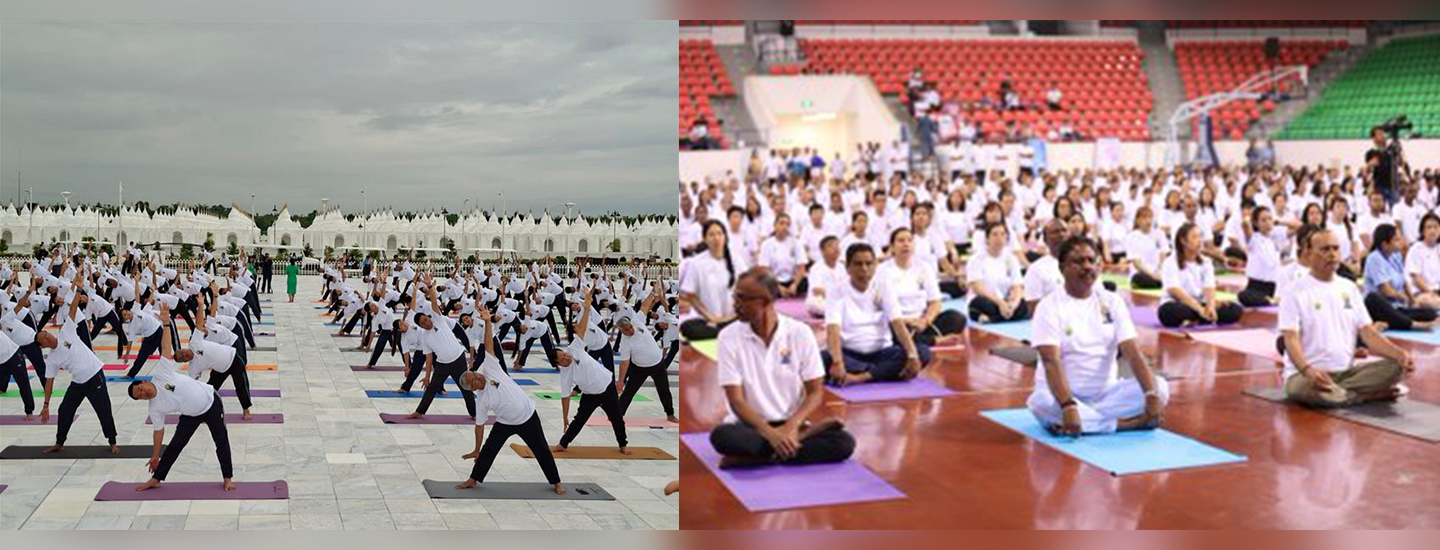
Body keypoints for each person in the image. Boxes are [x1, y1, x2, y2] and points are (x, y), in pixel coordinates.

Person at [710, 267, 855, 468]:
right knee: (722, 437)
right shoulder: (728, 337)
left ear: (766, 301)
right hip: (751, 426)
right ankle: (802, 440)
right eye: (735, 296)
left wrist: (791, 427)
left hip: (790, 423)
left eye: (742, 298)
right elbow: (736, 400)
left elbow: (815, 392)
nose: (735, 304)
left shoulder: (800, 333)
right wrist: (771, 434)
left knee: (844, 443)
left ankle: (762, 457)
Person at [1029, 236, 1169, 435]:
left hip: (1106, 395)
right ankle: (1126, 425)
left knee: (1160, 388)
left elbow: (1133, 353)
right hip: (1061, 396)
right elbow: (1051, 361)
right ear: (1062, 268)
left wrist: (1151, 396)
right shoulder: (1048, 306)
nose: (1087, 267)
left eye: (1092, 261)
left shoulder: (1112, 302)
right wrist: (1068, 405)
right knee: (1040, 402)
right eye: (1079, 261)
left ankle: (1086, 421)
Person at [1280, 228, 1416, 407]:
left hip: (1348, 373)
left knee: (1397, 367)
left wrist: (1400, 355)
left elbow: (1367, 333)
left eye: (1336, 249)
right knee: (1301, 389)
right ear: (1309, 253)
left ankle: (1341, 393)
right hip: (1305, 376)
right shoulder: (1293, 291)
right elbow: (1291, 338)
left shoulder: (1349, 287)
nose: (1332, 254)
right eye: (1325, 249)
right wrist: (1307, 370)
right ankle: (1364, 396)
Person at [452, 309, 566, 495]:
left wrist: (488, 322)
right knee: (489, 451)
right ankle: (473, 479)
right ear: (473, 388)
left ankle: (556, 482)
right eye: (475, 380)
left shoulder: (489, 367)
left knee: (542, 450)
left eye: (475, 374)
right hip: (505, 422)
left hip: (528, 415)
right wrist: (476, 448)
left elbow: (488, 344)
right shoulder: (481, 400)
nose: (479, 377)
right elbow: (479, 426)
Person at [128, 303, 236, 492]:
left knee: (221, 441)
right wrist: (155, 456)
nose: (143, 394)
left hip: (211, 402)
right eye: (140, 397)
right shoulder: (155, 408)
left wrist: (167, 323)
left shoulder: (161, 373)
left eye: (140, 390)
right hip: (190, 415)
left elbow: (165, 348)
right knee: (175, 445)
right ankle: (157, 478)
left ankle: (227, 478)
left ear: (143, 383)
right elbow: (158, 432)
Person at [823, 243, 931, 386]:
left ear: (875, 266)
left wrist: (912, 355)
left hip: (882, 352)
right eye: (858, 264)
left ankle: (859, 377)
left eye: (869, 263)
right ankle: (882, 373)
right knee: (823, 358)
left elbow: (897, 322)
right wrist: (837, 361)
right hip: (849, 353)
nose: (864, 269)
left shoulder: (884, 286)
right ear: (847, 267)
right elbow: (833, 330)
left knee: (922, 352)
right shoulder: (836, 290)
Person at [38, 270, 120, 455]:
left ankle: (113, 441)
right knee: (64, 409)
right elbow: (49, 382)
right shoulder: (51, 359)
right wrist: (45, 404)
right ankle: (59, 442)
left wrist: (78, 288)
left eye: (46, 333)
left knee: (103, 409)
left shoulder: (67, 331)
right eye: (44, 338)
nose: (48, 335)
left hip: (94, 375)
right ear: (43, 346)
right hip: (78, 382)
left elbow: (73, 309)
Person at [550, 284, 629, 455]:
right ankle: (563, 444)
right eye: (562, 359)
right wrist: (564, 418)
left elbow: (583, 327)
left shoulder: (575, 347)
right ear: (558, 364)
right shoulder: (565, 374)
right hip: (590, 395)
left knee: (616, 418)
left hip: (606, 385)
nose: (566, 357)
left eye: (563, 354)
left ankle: (623, 444)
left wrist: (586, 308)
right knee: (579, 420)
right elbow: (565, 397)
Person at [405, 274, 477, 419]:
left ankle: (475, 414)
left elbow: (433, 301)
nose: (426, 323)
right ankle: (419, 412)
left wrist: (430, 286)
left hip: (458, 360)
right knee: (431, 388)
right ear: (420, 327)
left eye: (425, 319)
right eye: (422, 323)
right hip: (442, 365)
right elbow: (429, 358)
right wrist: (426, 376)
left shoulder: (438, 319)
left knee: (465, 388)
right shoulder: (425, 337)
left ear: (428, 317)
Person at [882, 227, 966, 346]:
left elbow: (935, 302)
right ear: (892, 247)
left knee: (957, 318)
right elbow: (881, 308)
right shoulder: (883, 271)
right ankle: (934, 340)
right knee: (891, 330)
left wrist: (925, 321)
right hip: (898, 322)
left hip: (922, 322)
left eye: (909, 240)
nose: (906, 244)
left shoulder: (924, 267)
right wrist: (905, 320)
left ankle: (919, 340)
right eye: (901, 241)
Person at [1158, 223, 1243, 328]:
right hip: (1178, 303)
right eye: (1194, 237)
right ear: (1183, 241)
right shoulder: (1170, 261)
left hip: (1201, 304)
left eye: (1200, 236)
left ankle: (1199, 318)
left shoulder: (1206, 262)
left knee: (1235, 309)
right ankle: (1201, 317)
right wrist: (1199, 309)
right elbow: (1175, 290)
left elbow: (1209, 287)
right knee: (1167, 312)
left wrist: (1211, 306)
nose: (1199, 241)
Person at [615, 288, 678, 422]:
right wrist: (620, 381)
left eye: (630, 327)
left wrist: (653, 293)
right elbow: (624, 363)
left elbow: (645, 305)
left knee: (664, 391)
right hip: (640, 369)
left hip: (658, 365)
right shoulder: (624, 343)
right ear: (621, 331)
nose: (630, 330)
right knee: (629, 392)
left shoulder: (637, 321)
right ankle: (618, 415)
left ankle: (670, 414)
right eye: (626, 330)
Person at [1362, 224, 1439, 331]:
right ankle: (1413, 324)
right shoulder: (1374, 258)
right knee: (1372, 298)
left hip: (1397, 307)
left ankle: (1395, 322)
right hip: (1381, 306)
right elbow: (1386, 290)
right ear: (1385, 244)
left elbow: (1404, 282)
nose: (1401, 242)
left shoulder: (1395, 255)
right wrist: (1402, 297)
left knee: (1429, 314)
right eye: (1396, 240)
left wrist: (1413, 301)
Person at [679, 220, 737, 341]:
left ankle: (723, 329)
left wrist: (733, 315)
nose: (716, 238)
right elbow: (691, 295)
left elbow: (745, 289)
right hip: (705, 320)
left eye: (720, 234)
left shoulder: (736, 260)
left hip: (732, 317)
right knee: (687, 328)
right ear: (705, 239)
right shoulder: (696, 263)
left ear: (725, 237)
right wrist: (710, 317)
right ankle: (724, 331)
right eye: (711, 235)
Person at [967, 223, 1030, 323]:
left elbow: (1018, 285)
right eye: (995, 234)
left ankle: (993, 318)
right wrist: (1000, 303)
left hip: (1006, 300)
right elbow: (978, 289)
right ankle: (1004, 316)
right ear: (987, 239)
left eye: (1002, 234)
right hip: (988, 300)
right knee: (980, 304)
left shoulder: (1011, 258)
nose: (999, 238)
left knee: (1025, 304)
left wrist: (1014, 304)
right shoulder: (977, 259)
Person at [1237, 206, 1284, 307]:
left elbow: (1299, 226)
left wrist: (1279, 221)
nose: (1268, 222)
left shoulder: (1274, 239)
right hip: (1254, 286)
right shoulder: (1254, 239)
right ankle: (1269, 301)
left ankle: (1270, 300)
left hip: (1272, 287)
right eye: (1263, 220)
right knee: (1242, 295)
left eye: (1270, 219)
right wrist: (1250, 217)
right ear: (1256, 223)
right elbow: (1245, 224)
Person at [1125, 206, 1167, 290]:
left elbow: (1164, 255)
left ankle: (1162, 283)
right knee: (1139, 279)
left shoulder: (1159, 234)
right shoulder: (1131, 237)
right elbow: (1137, 264)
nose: (1148, 221)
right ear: (1138, 220)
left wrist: (1159, 271)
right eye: (1144, 218)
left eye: (1150, 217)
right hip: (1143, 273)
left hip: (1158, 272)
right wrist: (1152, 275)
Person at [1405, 213, 1440, 310]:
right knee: (1431, 301)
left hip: (1438, 291)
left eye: (1436, 227)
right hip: (1422, 293)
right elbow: (1416, 279)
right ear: (1422, 231)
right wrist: (1431, 293)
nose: (1433, 230)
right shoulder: (1416, 249)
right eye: (1429, 227)